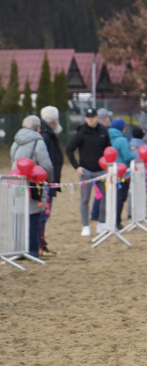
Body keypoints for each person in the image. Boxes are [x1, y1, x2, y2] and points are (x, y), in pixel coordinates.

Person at [10, 115, 54, 258]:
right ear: (37, 128)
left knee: (19, 216)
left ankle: (18, 249)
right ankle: (32, 250)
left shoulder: (16, 142)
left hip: (17, 184)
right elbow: (46, 165)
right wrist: (50, 180)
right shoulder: (38, 142)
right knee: (33, 216)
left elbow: (13, 160)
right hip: (33, 184)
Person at [65, 107, 111, 236]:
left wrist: (108, 164)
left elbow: (109, 149)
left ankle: (102, 223)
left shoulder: (103, 131)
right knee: (85, 199)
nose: (90, 120)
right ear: (86, 118)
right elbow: (69, 149)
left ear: (97, 117)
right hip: (86, 171)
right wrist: (76, 166)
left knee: (105, 196)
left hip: (101, 170)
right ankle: (86, 226)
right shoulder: (81, 132)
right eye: (88, 117)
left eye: (93, 117)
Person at [38, 106, 64, 256]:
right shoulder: (46, 136)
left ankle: (41, 242)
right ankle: (39, 243)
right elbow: (47, 162)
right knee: (43, 213)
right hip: (45, 183)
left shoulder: (47, 134)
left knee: (44, 213)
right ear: (54, 120)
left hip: (48, 181)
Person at [108, 118, 134, 229]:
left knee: (113, 197)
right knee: (121, 197)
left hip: (112, 172)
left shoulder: (109, 138)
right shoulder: (122, 140)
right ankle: (117, 221)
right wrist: (135, 154)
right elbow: (127, 156)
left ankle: (113, 220)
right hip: (123, 173)